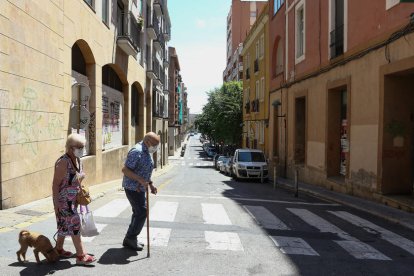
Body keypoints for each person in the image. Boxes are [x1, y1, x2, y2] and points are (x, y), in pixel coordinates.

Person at [52, 133, 96, 265]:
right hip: (64, 201)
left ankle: (58, 249)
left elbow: (75, 178)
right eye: (80, 147)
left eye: (83, 146)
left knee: (64, 225)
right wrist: (56, 204)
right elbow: (55, 184)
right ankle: (81, 255)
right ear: (70, 147)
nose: (82, 149)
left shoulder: (77, 159)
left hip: (74, 199)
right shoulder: (63, 162)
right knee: (75, 224)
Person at [122, 132, 159, 250]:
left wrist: (151, 184)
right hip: (133, 188)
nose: (155, 147)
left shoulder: (146, 151)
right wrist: (140, 180)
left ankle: (130, 238)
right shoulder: (137, 152)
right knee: (142, 212)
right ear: (147, 141)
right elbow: (125, 170)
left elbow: (144, 170)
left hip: (140, 188)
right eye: (154, 145)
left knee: (138, 212)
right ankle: (131, 238)